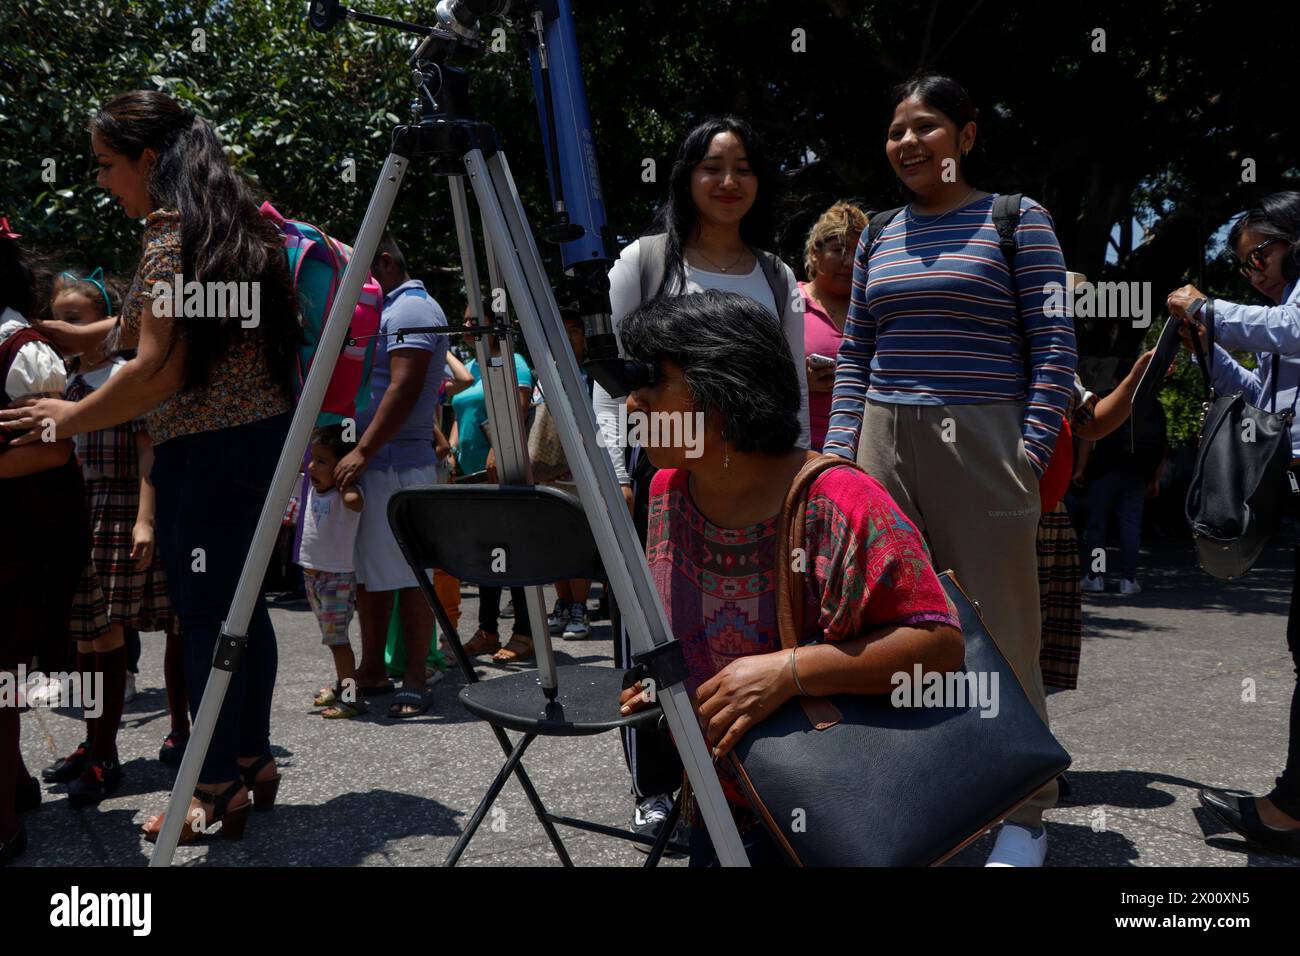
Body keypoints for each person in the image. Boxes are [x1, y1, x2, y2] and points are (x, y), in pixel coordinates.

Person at [1, 91, 302, 843]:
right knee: (240, 610)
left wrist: (65, 416)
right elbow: (121, 333)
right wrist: (34, 328)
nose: (102, 181)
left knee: (204, 621)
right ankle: (252, 758)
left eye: (107, 165)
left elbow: (157, 371)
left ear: (147, 160)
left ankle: (211, 787)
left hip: (202, 453)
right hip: (257, 443)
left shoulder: (173, 240)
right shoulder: (232, 227)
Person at [823, 72, 1077, 866]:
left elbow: (1056, 345)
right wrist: (837, 460)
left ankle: (1025, 815)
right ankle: (918, 790)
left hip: (983, 441)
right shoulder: (879, 235)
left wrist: (1028, 455)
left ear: (967, 136)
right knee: (887, 627)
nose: (907, 143)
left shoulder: (1018, 222)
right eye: (897, 129)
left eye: (926, 126)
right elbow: (858, 350)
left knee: (1002, 630)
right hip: (879, 438)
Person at [616, 290, 963, 866]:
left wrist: (792, 670)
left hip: (830, 806)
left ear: (720, 390)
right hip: (715, 801)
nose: (632, 405)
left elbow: (940, 647)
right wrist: (662, 688)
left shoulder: (843, 501)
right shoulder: (664, 491)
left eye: (652, 385)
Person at [595, 115, 811, 843]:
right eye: (711, 166)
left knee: (744, 620)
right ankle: (656, 783)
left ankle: (745, 777)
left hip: (753, 472)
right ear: (685, 177)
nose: (728, 182)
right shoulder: (645, 261)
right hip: (658, 466)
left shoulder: (777, 275)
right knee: (655, 627)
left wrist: (803, 463)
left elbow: (789, 384)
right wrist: (615, 468)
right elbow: (612, 379)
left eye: (744, 167)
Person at [1166, 190, 1300, 856]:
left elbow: (1290, 334)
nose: (1254, 272)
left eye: (1260, 254)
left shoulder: (1294, 311)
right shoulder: (1279, 310)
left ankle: (1291, 809)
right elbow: (1261, 397)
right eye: (1244, 263)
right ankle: (1293, 803)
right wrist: (1205, 344)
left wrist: (1208, 310)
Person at [40, 269, 185, 804]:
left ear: (106, 324)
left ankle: (108, 755)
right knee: (86, 634)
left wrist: (145, 520)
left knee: (112, 633)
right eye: (57, 318)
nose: (63, 329)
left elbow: (150, 454)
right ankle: (93, 741)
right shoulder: (68, 382)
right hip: (83, 507)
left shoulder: (127, 377)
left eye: (74, 319)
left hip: (124, 506)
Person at [0, 221, 91, 864]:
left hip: (14, 542)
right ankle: (15, 782)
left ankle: (4, 818)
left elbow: (51, 455)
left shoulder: (19, 347)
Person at [334, 233, 449, 719]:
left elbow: (403, 388)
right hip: (382, 464)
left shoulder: (411, 310)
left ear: (383, 260)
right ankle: (374, 670)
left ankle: (417, 675)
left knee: (411, 577)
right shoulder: (392, 309)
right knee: (374, 577)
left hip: (400, 465)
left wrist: (362, 449)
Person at [449, 301, 536, 662]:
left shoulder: (512, 362)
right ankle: (487, 630)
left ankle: (526, 633)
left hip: (503, 471)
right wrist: (451, 451)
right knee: (485, 553)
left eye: (475, 320)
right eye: (465, 319)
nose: (468, 326)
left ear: (493, 323)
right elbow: (458, 414)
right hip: (471, 473)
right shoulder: (471, 367)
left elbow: (518, 408)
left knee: (512, 552)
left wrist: (499, 449)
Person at [1079, 372, 1166, 596]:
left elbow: (1088, 437)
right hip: (1137, 473)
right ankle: (1128, 579)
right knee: (1130, 528)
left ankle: (1096, 575)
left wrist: (1080, 469)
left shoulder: (1103, 399)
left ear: (1117, 380)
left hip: (1104, 471)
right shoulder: (1152, 406)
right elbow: (1162, 446)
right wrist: (1155, 478)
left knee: (1097, 526)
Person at [300, 425, 366, 719]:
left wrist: (346, 482)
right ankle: (342, 686)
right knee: (332, 639)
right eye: (313, 459)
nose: (312, 466)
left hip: (335, 579)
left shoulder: (345, 495)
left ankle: (351, 698)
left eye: (322, 461)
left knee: (338, 641)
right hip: (312, 577)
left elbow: (356, 503)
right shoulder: (310, 488)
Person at [800, 201, 867, 450]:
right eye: (838, 250)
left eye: (857, 252)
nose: (849, 262)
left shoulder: (875, 308)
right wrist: (799, 380)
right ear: (815, 254)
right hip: (801, 452)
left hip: (866, 449)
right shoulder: (788, 302)